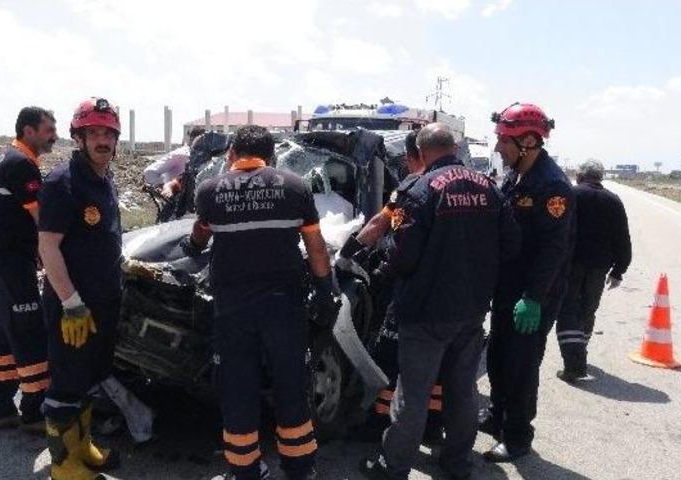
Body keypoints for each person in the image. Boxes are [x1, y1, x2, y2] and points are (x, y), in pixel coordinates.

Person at [359, 123, 520, 480]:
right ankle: (457, 463)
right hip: (471, 310)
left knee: (412, 395)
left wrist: (383, 265)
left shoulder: (417, 188)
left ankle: (392, 465)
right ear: (454, 147)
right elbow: (510, 246)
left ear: (422, 150)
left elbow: (404, 256)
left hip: (424, 311)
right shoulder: (490, 188)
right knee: (462, 391)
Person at [186, 125, 341, 480]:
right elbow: (315, 247)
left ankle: (245, 469)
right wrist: (324, 288)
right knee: (291, 385)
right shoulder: (295, 187)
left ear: (231, 155)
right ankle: (300, 468)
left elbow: (200, 233)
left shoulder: (209, 191)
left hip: (232, 312)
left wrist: (193, 247)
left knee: (238, 388)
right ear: (272, 156)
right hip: (284, 308)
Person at [482, 102, 575, 462]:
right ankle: (497, 415)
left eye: (504, 141)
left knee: (521, 364)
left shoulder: (552, 187)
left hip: (534, 296)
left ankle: (518, 435)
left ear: (529, 142)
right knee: (498, 356)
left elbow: (555, 250)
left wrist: (534, 297)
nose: (497, 149)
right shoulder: (516, 175)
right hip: (509, 288)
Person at [338, 130, 443, 446]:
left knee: (389, 354)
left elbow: (379, 225)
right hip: (452, 292)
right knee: (437, 363)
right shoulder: (465, 185)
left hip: (411, 288)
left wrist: (347, 253)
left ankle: (377, 425)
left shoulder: (412, 186)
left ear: (415, 158)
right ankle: (433, 426)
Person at [38, 97, 123, 480]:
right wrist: (71, 302)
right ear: (79, 137)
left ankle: (82, 446)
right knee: (67, 382)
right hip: (73, 307)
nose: (102, 140)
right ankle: (62, 464)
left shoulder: (105, 179)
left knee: (90, 376)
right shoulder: (63, 183)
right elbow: (48, 247)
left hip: (103, 302)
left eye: (108, 133)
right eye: (94, 133)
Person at [0, 106, 57, 433]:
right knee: (29, 330)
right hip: (8, 260)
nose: (53, 135)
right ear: (28, 131)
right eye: (47, 129)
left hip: (2, 258)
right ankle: (36, 413)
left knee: (6, 333)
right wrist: (54, 260)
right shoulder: (22, 165)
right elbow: (43, 223)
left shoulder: (16, 159)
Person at [556, 160, 631, 381]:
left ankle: (574, 366)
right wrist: (619, 270)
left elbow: (558, 230)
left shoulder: (571, 194)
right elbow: (623, 238)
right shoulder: (614, 200)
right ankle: (579, 355)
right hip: (599, 269)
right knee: (587, 311)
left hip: (572, 265)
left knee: (568, 311)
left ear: (580, 176)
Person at [144, 125, 207, 198]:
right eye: (199, 138)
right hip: (176, 202)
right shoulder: (180, 155)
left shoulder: (207, 157)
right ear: (191, 138)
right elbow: (150, 172)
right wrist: (166, 186)